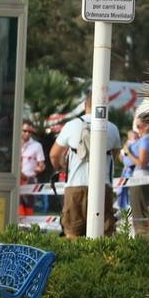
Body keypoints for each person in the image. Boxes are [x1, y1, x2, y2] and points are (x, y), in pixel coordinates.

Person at [50, 95, 121, 238]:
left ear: (84, 105)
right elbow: (115, 155)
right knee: (103, 235)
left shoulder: (71, 125)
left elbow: (54, 154)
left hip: (75, 185)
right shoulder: (112, 128)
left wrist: (61, 168)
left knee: (72, 234)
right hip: (103, 187)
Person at [19, 121, 46, 214]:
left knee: (28, 207)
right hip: (16, 179)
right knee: (17, 206)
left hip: (29, 179)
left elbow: (41, 164)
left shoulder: (37, 145)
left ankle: (28, 228)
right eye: (25, 130)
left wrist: (40, 169)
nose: (27, 133)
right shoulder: (14, 143)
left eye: (30, 131)